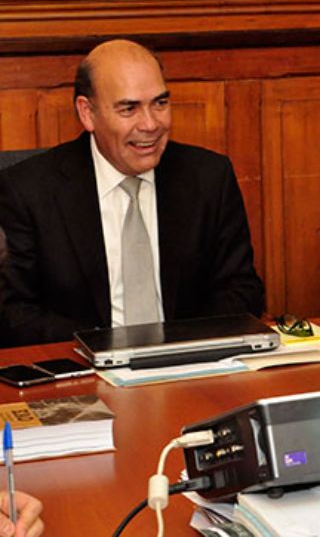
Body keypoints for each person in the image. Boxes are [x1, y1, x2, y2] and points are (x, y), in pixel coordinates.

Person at [0, 39, 264, 346]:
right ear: (87, 113)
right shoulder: (27, 190)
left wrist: (179, 348)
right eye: (129, 108)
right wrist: (104, 348)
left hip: (190, 367)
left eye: (160, 103)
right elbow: (12, 313)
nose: (151, 124)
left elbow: (242, 289)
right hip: (84, 369)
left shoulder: (208, 177)